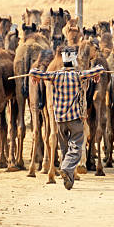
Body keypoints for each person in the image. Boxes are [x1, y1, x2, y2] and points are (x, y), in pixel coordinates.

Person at [29, 46, 104, 190]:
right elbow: (98, 69)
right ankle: (66, 168)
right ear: (74, 61)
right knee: (76, 147)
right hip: (74, 119)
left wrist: (34, 75)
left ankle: (68, 179)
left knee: (64, 148)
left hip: (59, 120)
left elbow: (35, 71)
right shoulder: (78, 75)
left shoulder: (54, 75)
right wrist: (97, 72)